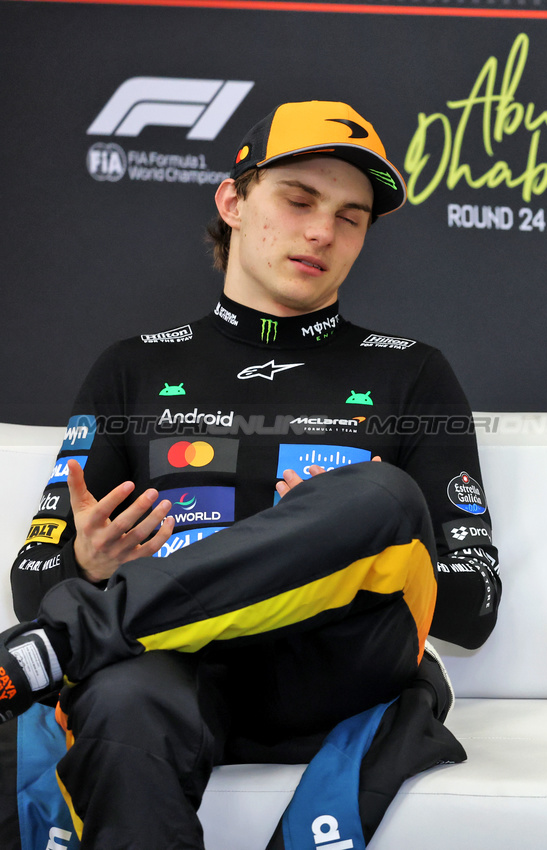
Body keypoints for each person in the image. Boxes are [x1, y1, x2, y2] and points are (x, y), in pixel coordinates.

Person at [0, 101, 501, 848]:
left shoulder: (412, 370)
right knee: (124, 700)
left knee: (377, 495)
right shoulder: (133, 366)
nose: (322, 233)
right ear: (232, 200)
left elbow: (473, 604)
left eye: (351, 217)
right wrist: (86, 562)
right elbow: (34, 582)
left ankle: (72, 640)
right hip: (171, 665)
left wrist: (341, 538)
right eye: (298, 200)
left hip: (335, 661)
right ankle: (87, 634)